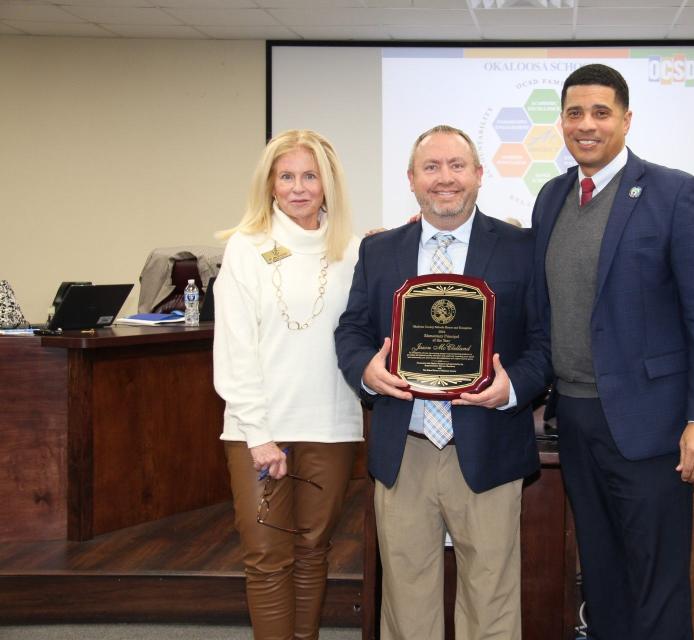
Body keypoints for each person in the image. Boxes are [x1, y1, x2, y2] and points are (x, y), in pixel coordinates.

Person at [530, 64, 694, 639]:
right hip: (576, 418)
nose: (586, 124)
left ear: (626, 118)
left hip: (651, 424)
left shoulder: (674, 192)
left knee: (657, 580)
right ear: (562, 121)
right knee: (602, 573)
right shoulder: (551, 197)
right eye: (574, 113)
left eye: (600, 112)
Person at [334, 125, 551, 640]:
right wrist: (365, 369)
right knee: (406, 599)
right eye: (431, 167)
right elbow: (352, 330)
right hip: (403, 447)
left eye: (457, 166)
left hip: (489, 442)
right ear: (412, 180)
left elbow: (546, 342)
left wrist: (512, 388)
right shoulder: (380, 251)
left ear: (479, 175)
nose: (445, 179)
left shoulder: (523, 248)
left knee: (492, 599)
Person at [213, 129, 362, 640]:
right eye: (286, 176)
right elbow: (235, 349)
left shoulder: (355, 250)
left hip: (331, 424)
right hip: (260, 430)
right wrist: (258, 434)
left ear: (327, 183)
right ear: (270, 184)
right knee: (267, 556)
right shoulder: (246, 248)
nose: (298, 188)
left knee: (312, 551)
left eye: (309, 175)